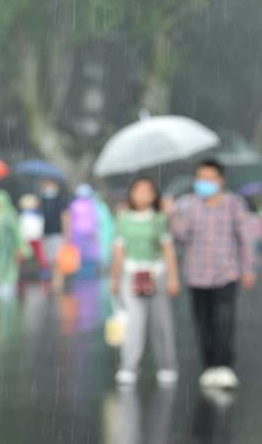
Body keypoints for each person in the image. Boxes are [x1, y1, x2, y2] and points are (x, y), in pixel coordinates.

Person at [169, 159, 257, 389]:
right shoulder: (187, 205)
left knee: (225, 319)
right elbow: (180, 236)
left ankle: (224, 366)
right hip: (197, 274)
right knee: (203, 322)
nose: (204, 183)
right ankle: (209, 366)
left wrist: (249, 268)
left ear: (221, 180)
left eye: (209, 178)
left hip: (226, 273)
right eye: (200, 178)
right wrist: (172, 215)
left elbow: (245, 238)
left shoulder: (234, 204)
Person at [111, 176, 180, 387]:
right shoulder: (123, 218)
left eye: (147, 191)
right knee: (134, 322)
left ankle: (167, 366)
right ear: (131, 194)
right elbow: (119, 250)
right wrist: (114, 278)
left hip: (155, 274)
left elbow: (168, 249)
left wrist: (173, 277)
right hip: (131, 275)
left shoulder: (159, 219)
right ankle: (129, 366)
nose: (142, 195)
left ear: (154, 195)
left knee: (161, 322)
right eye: (138, 190)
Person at [38, 178, 71, 281]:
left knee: (58, 260)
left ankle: (58, 284)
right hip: (46, 234)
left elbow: (65, 217)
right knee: (50, 261)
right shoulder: (42, 201)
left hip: (58, 234)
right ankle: (54, 283)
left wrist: (67, 233)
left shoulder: (60, 200)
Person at [69, 184, 101, 264]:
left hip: (84, 234)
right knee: (85, 256)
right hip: (82, 234)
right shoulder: (92, 204)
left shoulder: (76, 205)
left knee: (86, 256)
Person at [18, 194, 47, 269]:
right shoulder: (24, 216)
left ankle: (45, 272)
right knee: (22, 256)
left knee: (41, 257)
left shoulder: (37, 215)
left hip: (35, 239)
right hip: (26, 240)